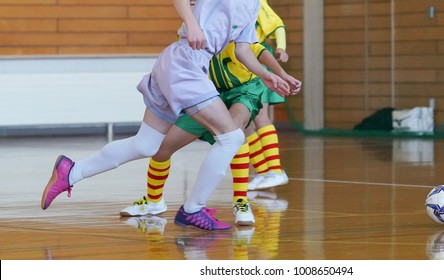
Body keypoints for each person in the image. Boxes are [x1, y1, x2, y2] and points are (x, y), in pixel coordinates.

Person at [40, 0, 293, 231]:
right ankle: (193, 209)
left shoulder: (252, 7)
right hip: (185, 63)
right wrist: (192, 24)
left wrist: (267, 75)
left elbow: (243, 51)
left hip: (180, 64)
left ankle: (72, 172)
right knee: (231, 137)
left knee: (145, 144)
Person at [119, 41, 301, 227]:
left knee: (234, 131)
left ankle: (241, 201)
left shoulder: (234, 22)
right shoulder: (192, 32)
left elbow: (259, 50)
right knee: (163, 148)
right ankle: (153, 201)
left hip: (243, 91)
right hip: (207, 93)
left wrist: (282, 74)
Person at [245, 0, 291, 191]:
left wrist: (281, 47)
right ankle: (263, 172)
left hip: (256, 58)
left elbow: (277, 24)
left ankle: (275, 170)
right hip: (237, 62)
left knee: (259, 116)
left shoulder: (255, 2)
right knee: (243, 124)